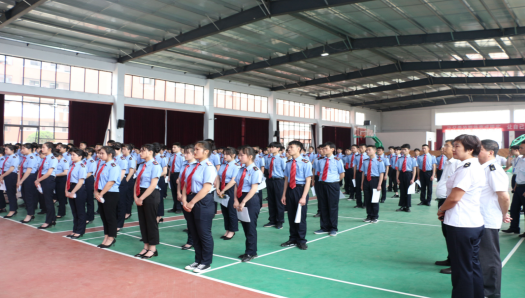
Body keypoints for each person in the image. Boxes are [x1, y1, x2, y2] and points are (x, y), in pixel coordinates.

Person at [437, 134, 485, 298]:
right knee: (472, 265)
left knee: (461, 269)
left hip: (461, 224)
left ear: (470, 149)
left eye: (457, 146)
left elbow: (455, 197)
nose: (453, 149)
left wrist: (442, 209)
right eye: (454, 145)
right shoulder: (469, 165)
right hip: (471, 223)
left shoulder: (467, 168)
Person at [477, 139, 511, 298]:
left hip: (488, 219)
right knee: (480, 256)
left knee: (489, 258)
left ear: (491, 152)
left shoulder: (493, 169)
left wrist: (505, 213)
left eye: (481, 149)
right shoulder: (483, 168)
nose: (478, 152)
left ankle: (491, 293)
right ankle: (480, 287)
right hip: (479, 218)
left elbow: (504, 196)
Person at [182, 141, 217, 273]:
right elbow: (186, 183)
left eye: (197, 149)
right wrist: (185, 200)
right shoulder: (192, 166)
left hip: (202, 201)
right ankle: (198, 260)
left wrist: (191, 203)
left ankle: (206, 262)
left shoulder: (208, 167)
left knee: (204, 233)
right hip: (190, 198)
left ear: (206, 152)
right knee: (194, 232)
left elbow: (207, 187)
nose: (194, 151)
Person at [280, 141, 312, 250]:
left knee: (301, 216)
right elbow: (286, 180)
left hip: (300, 189)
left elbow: (308, 181)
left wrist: (303, 197)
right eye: (288, 147)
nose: (289, 149)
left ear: (298, 149)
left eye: (291, 147)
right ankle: (293, 238)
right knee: (291, 216)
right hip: (290, 190)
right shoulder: (288, 162)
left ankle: (301, 240)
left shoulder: (305, 162)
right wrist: (284, 194)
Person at [133, 144, 162, 259]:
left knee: (151, 222)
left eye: (143, 151)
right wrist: (136, 197)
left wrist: (141, 198)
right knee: (143, 221)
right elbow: (137, 181)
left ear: (150, 152)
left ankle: (153, 248)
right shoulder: (142, 165)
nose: (140, 153)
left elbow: (153, 185)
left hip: (150, 194)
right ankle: (145, 246)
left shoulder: (155, 165)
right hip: (140, 193)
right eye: (140, 151)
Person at [434, 140, 458, 275]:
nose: (443, 148)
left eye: (447, 146)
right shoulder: (447, 161)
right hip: (443, 200)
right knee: (446, 233)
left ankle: (456, 264)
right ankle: (450, 259)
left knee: (452, 234)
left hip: (449, 201)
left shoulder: (457, 163)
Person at [234, 146, 263, 262]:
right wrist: (236, 200)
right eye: (239, 155)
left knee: (250, 227)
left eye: (242, 155)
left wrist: (243, 201)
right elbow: (236, 185)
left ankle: (251, 252)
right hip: (240, 198)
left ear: (250, 156)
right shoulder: (240, 169)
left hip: (250, 200)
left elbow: (253, 188)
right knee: (245, 226)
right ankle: (250, 250)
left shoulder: (255, 170)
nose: (239, 157)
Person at [94, 146, 122, 248]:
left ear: (110, 154)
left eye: (102, 153)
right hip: (100, 192)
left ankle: (111, 237)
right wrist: (96, 192)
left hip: (110, 193)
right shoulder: (102, 165)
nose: (99, 155)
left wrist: (101, 194)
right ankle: (106, 236)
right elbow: (96, 180)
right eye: (99, 153)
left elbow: (111, 182)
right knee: (104, 216)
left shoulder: (114, 166)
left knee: (110, 216)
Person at [315, 142, 344, 236]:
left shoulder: (337, 160)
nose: (323, 150)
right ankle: (324, 227)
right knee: (323, 206)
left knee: (332, 207)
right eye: (323, 148)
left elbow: (342, 173)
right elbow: (318, 172)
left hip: (332, 185)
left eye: (326, 148)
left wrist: (334, 182)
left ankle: (333, 228)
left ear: (332, 149)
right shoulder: (320, 160)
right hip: (321, 184)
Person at [216, 147, 240, 240]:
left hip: (230, 188)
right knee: (224, 211)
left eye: (227, 154)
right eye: (224, 154)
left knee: (231, 210)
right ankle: (227, 229)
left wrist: (223, 190)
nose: (224, 156)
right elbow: (218, 177)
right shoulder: (223, 165)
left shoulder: (236, 166)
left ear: (233, 155)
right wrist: (218, 188)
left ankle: (232, 230)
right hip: (222, 187)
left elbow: (233, 180)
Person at [502, 141, 525, 236]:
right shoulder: (519, 159)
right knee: (514, 208)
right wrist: (515, 186)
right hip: (518, 187)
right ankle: (514, 227)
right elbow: (517, 174)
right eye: (519, 148)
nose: (519, 149)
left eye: (522, 148)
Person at [178, 145, 197, 250]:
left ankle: (192, 240)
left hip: (193, 194)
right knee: (188, 219)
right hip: (184, 193)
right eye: (184, 153)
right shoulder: (184, 164)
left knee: (195, 220)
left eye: (187, 153)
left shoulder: (197, 165)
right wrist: (178, 193)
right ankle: (191, 240)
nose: (185, 155)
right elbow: (180, 180)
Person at [65, 148, 88, 239]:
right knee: (74, 211)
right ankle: (75, 230)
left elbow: (80, 181)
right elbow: (68, 179)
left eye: (74, 155)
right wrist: (66, 190)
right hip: (71, 187)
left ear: (80, 156)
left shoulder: (82, 166)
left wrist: (73, 191)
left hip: (78, 189)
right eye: (71, 155)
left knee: (80, 211)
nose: (72, 156)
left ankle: (80, 231)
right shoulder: (72, 165)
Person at [264, 142, 286, 229]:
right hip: (270, 180)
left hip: (279, 181)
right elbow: (267, 169)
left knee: (279, 201)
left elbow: (285, 172)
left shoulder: (282, 159)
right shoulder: (269, 158)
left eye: (273, 147)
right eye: (270, 147)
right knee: (271, 201)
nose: (271, 149)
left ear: (278, 149)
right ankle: (272, 220)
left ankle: (280, 221)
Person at [35, 143, 58, 229]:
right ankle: (52, 219)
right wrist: (38, 180)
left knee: (48, 201)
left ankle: (48, 221)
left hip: (48, 180)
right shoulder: (44, 158)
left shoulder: (53, 159)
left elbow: (49, 173)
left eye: (44, 147)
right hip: (43, 179)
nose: (42, 149)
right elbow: (40, 170)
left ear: (50, 149)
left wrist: (38, 180)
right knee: (46, 201)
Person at [361, 145, 385, 223]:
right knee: (367, 199)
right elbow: (363, 173)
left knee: (374, 199)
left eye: (369, 150)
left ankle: (375, 216)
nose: (367, 151)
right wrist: (362, 183)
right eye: (366, 150)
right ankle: (369, 215)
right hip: (366, 181)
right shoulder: (365, 161)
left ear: (374, 151)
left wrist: (379, 184)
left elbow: (381, 173)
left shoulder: (379, 161)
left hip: (375, 180)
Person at [17, 143, 38, 223]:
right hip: (25, 176)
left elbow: (29, 171)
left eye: (23, 148)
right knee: (25, 196)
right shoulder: (25, 158)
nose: (22, 150)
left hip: (29, 177)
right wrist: (19, 179)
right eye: (21, 149)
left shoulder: (31, 158)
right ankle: (31, 213)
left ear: (30, 149)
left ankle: (29, 215)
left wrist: (21, 181)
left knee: (29, 197)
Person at [395, 144, 417, 212]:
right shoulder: (399, 159)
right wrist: (397, 178)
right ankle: (402, 206)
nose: (403, 151)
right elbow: (398, 170)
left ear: (409, 150)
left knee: (408, 191)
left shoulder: (412, 159)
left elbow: (414, 170)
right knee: (402, 191)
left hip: (408, 174)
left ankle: (407, 206)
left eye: (405, 149)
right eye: (402, 149)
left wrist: (413, 179)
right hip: (401, 174)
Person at [0, 144, 19, 218]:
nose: (5, 151)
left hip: (11, 175)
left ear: (12, 150)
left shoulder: (14, 157)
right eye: (5, 149)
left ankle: (12, 210)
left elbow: (11, 169)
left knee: (11, 193)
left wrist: (2, 176)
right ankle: (14, 208)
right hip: (7, 175)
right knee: (9, 192)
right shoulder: (7, 157)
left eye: (7, 149)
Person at [167, 142, 184, 213]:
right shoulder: (172, 156)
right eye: (172, 147)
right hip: (172, 174)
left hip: (178, 174)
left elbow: (182, 168)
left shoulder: (182, 156)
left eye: (175, 147)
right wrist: (169, 176)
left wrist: (179, 178)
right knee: (173, 191)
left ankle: (179, 207)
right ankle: (175, 207)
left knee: (179, 191)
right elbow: (170, 167)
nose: (173, 148)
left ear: (179, 148)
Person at [153, 143, 168, 223]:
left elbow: (165, 171)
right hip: (152, 180)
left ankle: (159, 216)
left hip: (159, 179)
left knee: (159, 198)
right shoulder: (151, 158)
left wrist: (155, 175)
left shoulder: (162, 158)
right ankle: (154, 215)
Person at [122, 144, 136, 220]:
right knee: (123, 196)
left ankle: (128, 212)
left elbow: (131, 172)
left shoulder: (131, 159)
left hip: (128, 177)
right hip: (123, 176)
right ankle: (123, 211)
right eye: (122, 149)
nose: (123, 150)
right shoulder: (123, 158)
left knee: (128, 196)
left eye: (124, 149)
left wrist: (126, 181)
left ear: (129, 150)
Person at [54, 151, 69, 218]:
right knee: (57, 195)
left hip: (62, 179)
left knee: (61, 197)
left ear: (60, 156)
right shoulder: (57, 161)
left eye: (56, 157)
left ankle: (61, 212)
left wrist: (55, 175)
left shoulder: (64, 161)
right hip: (56, 179)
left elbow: (65, 172)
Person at [84, 148, 97, 224]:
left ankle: (90, 217)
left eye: (86, 151)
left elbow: (90, 173)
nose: (84, 152)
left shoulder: (92, 162)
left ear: (90, 153)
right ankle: (84, 215)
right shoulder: (84, 160)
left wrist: (81, 178)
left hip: (88, 179)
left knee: (89, 199)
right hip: (83, 179)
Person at [352, 144, 367, 209]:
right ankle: (359, 203)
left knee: (365, 188)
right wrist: (354, 175)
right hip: (358, 172)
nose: (360, 149)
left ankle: (365, 203)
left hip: (365, 173)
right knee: (358, 188)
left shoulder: (368, 156)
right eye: (360, 148)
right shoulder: (357, 156)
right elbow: (355, 166)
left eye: (362, 147)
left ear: (365, 148)